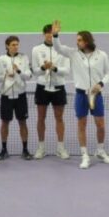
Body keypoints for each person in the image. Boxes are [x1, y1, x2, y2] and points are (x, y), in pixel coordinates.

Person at [51, 20, 109, 169]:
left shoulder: (102, 55)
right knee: (82, 124)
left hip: (96, 95)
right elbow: (58, 48)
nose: (77, 42)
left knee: (100, 124)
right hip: (80, 95)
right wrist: (55, 34)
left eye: (79, 40)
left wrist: (100, 84)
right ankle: (84, 155)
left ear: (86, 41)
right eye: (77, 40)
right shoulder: (73, 54)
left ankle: (100, 150)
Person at [31, 25, 71, 159]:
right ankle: (41, 148)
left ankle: (60, 148)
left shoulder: (63, 50)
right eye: (47, 33)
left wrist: (54, 68)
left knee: (59, 118)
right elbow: (35, 71)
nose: (49, 35)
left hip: (58, 87)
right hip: (42, 87)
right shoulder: (36, 50)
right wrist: (43, 67)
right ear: (43, 34)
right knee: (41, 118)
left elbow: (67, 71)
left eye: (52, 33)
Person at [0, 36, 33, 160]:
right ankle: (4, 149)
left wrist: (19, 71)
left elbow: (28, 76)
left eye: (17, 44)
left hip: (20, 96)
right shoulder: (1, 59)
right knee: (5, 123)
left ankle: (25, 150)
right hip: (6, 96)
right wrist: (6, 75)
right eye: (13, 44)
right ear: (7, 46)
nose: (15, 46)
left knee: (23, 122)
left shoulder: (24, 58)